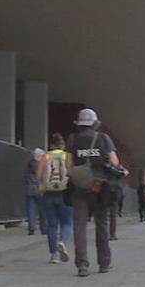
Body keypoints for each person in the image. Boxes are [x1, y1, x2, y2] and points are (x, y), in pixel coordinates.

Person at [68, 108, 127, 277]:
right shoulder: (103, 138)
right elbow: (115, 162)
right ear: (95, 123)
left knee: (79, 225)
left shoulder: (72, 139)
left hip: (80, 187)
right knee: (101, 224)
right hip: (100, 187)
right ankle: (104, 263)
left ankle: (82, 265)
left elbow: (68, 165)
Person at [36, 134, 73, 264]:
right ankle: (62, 241)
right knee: (67, 223)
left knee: (52, 224)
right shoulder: (67, 156)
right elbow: (72, 173)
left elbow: (39, 175)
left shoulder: (44, 156)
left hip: (48, 194)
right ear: (63, 145)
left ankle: (54, 255)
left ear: (51, 145)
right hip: (65, 194)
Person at [25, 148, 46, 236]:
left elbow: (25, 177)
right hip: (40, 189)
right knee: (43, 210)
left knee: (31, 209)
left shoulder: (29, 164)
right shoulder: (42, 165)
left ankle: (31, 229)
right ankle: (44, 228)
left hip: (30, 189)